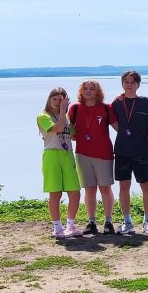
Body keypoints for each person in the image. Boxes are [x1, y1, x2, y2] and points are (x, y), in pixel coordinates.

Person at [110, 70, 148, 235]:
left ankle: (147, 220)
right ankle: (127, 221)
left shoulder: (146, 102)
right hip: (122, 150)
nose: (129, 85)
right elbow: (113, 122)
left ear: (138, 84)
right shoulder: (116, 103)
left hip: (142, 150)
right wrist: (124, 131)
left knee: (146, 186)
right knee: (124, 186)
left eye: (132, 82)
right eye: (126, 82)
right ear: (122, 84)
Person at [68, 79, 115, 235]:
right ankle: (91, 222)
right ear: (81, 92)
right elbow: (70, 133)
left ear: (98, 92)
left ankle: (108, 222)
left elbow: (119, 128)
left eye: (92, 89)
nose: (88, 91)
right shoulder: (74, 109)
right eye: (85, 88)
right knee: (89, 189)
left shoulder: (106, 108)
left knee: (105, 188)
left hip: (104, 153)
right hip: (82, 154)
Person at [38, 87, 82, 238]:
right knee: (55, 193)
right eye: (54, 99)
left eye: (61, 99)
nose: (57, 102)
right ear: (49, 100)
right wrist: (64, 112)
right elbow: (56, 128)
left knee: (75, 192)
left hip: (67, 154)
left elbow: (75, 136)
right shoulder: (43, 116)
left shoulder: (67, 118)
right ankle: (57, 227)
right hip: (51, 155)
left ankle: (70, 225)